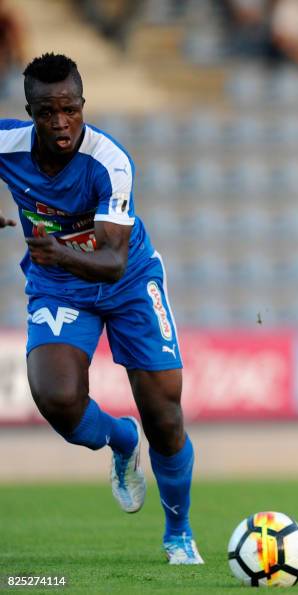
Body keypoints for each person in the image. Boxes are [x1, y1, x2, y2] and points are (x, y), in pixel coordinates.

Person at [0, 53, 203, 565]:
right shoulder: (9, 142)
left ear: (83, 104)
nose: (60, 122)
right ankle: (119, 438)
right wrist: (55, 259)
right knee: (57, 399)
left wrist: (58, 250)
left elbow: (112, 261)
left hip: (128, 281)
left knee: (164, 413)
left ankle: (178, 533)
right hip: (59, 285)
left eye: (70, 109)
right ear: (30, 111)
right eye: (47, 112)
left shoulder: (110, 161)